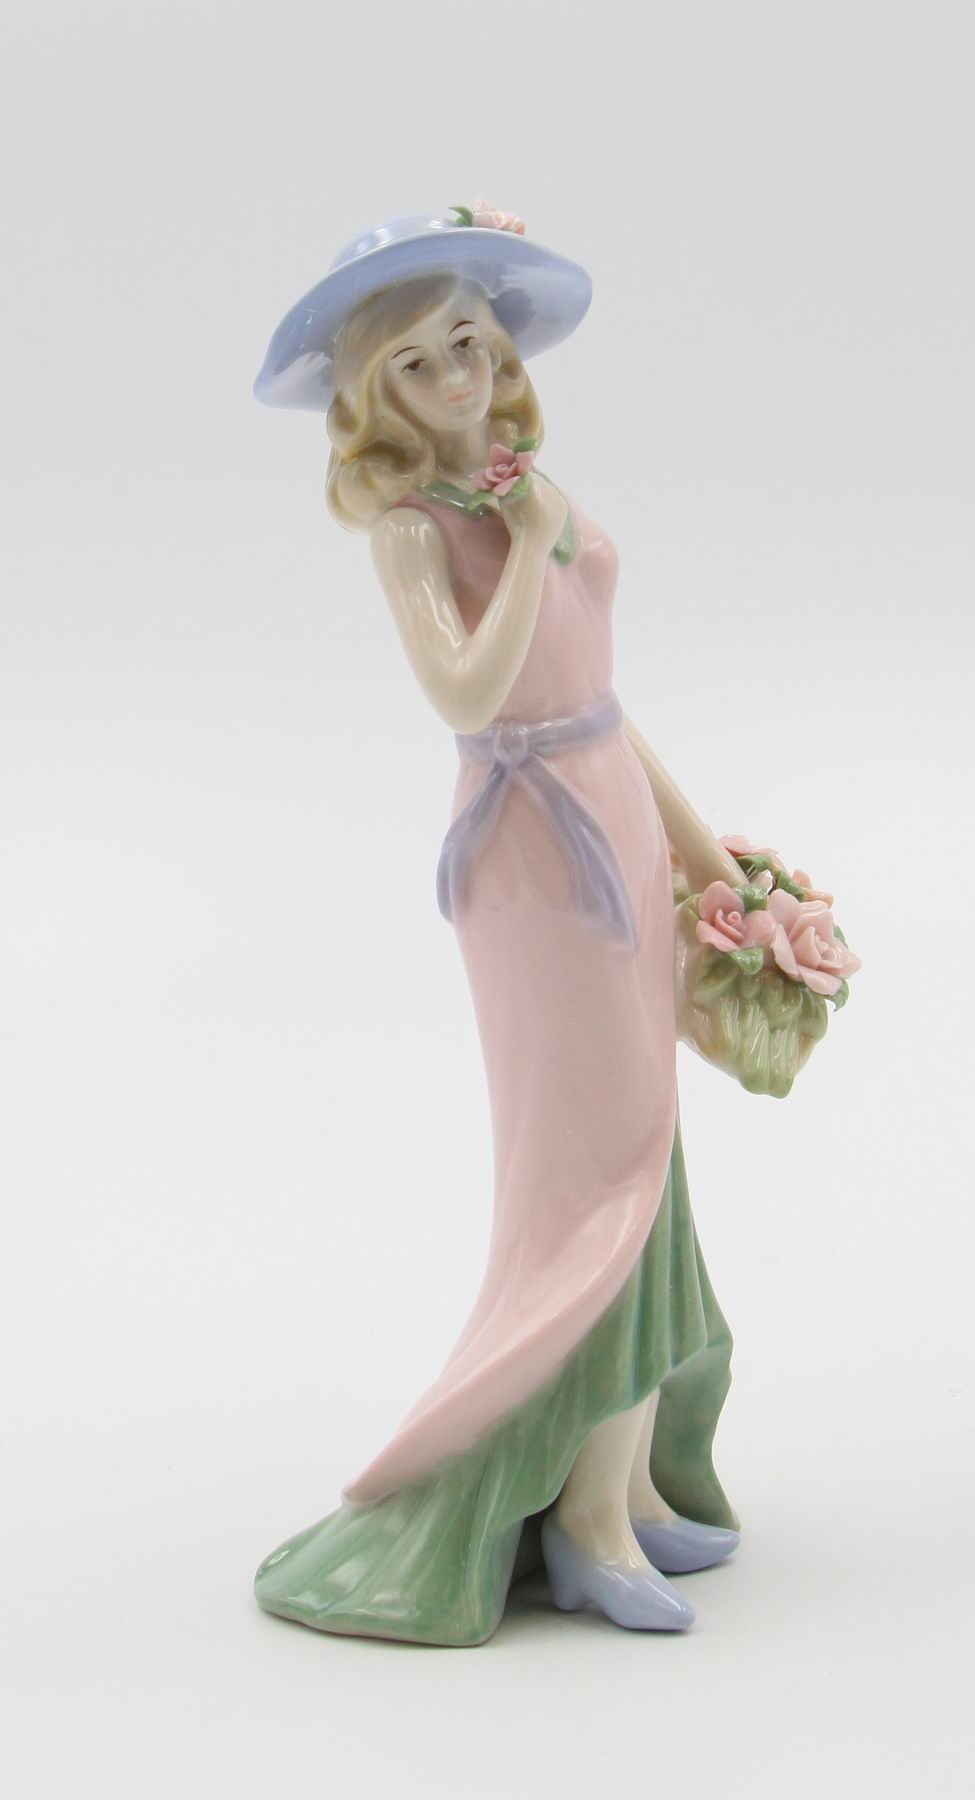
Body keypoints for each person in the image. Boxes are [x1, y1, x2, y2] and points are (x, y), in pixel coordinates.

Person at [251, 207, 743, 1646]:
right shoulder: (416, 532)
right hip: (532, 856)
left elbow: (600, 695)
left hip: (613, 819)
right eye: (416, 363)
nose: (456, 376)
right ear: (376, 396)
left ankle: (622, 1483)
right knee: (589, 1170)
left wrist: (707, 854)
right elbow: (469, 695)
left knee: (645, 1155)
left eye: (468, 342)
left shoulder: (533, 488)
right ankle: (578, 1527)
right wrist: (522, 546)